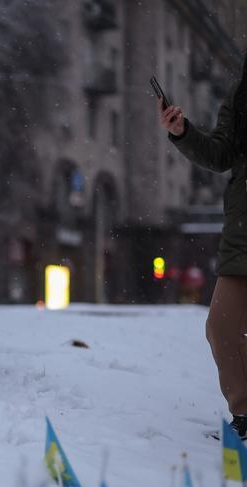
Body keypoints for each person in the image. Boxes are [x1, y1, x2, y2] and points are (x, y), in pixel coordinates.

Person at [160, 52, 247, 438]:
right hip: (243, 234)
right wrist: (183, 132)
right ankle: (245, 416)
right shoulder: (243, 93)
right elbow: (221, 152)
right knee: (222, 326)